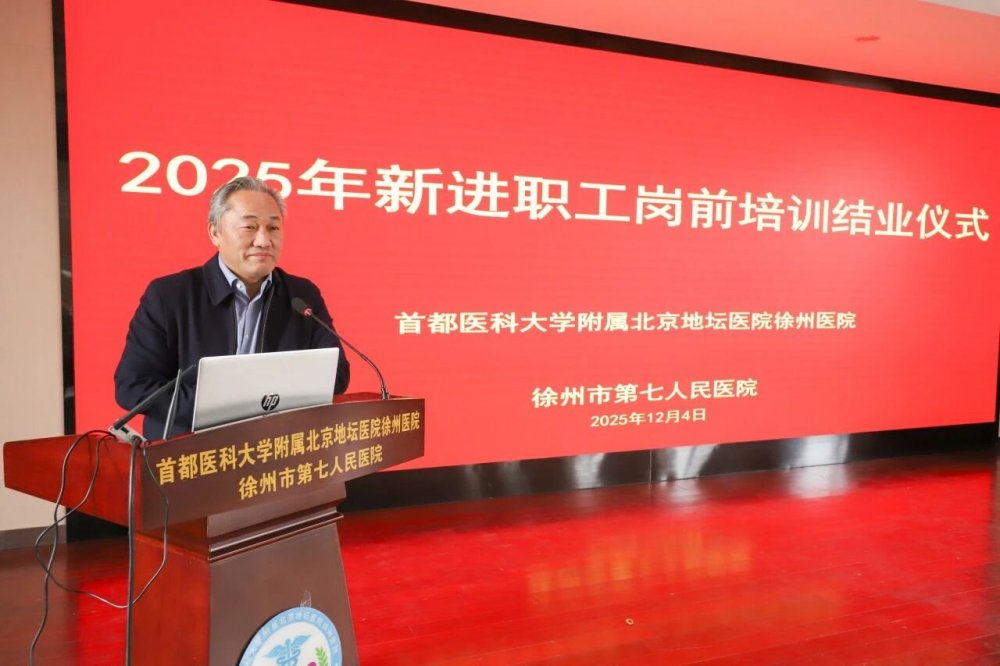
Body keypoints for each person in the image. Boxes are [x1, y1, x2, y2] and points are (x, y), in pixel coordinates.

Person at [114, 177, 350, 440]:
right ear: (215, 233)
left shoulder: (302, 296)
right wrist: (228, 406)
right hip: (191, 451)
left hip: (276, 449)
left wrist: (264, 402)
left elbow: (337, 374)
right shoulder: (169, 295)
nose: (263, 240)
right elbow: (133, 385)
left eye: (273, 227)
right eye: (250, 227)